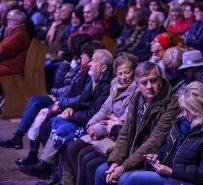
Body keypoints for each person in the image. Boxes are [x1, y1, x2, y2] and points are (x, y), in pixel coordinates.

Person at [108, 81, 203, 185]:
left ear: (202, 108)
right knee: (123, 178)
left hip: (183, 180)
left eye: (189, 110)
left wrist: (172, 171)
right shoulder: (182, 123)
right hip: (169, 173)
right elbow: (166, 147)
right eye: (184, 109)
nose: (185, 114)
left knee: (133, 179)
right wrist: (157, 156)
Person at [19, 49, 114, 180]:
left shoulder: (106, 86)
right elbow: (81, 100)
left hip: (92, 125)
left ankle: (50, 170)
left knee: (54, 128)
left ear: (103, 68)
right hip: (81, 116)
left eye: (94, 60)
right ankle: (50, 170)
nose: (90, 63)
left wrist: (69, 115)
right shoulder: (95, 78)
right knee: (48, 122)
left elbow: (92, 114)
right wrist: (68, 107)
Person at [95, 61, 180, 185]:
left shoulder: (171, 105)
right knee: (101, 171)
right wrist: (115, 162)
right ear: (137, 85)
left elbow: (154, 142)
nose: (149, 86)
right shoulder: (136, 99)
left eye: (153, 80)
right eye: (144, 83)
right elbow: (125, 133)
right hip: (131, 155)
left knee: (124, 179)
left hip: (152, 159)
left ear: (161, 79)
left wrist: (124, 167)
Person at [62, 53, 139, 185]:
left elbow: (123, 120)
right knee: (72, 148)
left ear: (134, 72)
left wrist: (99, 129)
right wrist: (91, 125)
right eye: (120, 74)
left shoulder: (137, 90)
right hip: (106, 128)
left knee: (86, 157)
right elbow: (104, 109)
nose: (124, 77)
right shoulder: (115, 85)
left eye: (127, 73)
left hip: (117, 135)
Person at [0, 9, 31, 76]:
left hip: (12, 67)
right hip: (8, 64)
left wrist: (6, 37)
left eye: (9, 19)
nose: (7, 22)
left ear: (15, 21)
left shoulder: (20, 34)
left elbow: (2, 50)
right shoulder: (16, 32)